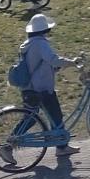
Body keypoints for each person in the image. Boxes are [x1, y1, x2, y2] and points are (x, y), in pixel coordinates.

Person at [16, 12, 73, 153]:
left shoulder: (27, 44)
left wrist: (54, 69)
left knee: (33, 118)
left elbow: (39, 64)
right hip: (42, 89)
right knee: (54, 115)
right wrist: (71, 63)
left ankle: (61, 145)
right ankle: (61, 147)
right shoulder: (40, 44)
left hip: (29, 88)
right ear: (45, 30)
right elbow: (52, 59)